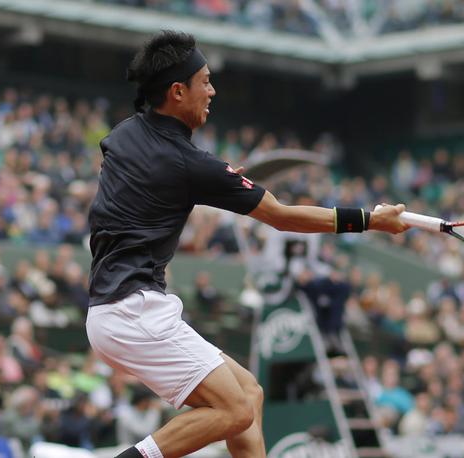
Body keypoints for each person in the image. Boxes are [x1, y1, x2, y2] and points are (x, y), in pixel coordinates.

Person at [85, 29, 408, 458]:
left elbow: (150, 182)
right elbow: (281, 216)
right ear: (178, 91)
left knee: (249, 394)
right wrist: (369, 220)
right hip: (133, 310)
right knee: (234, 410)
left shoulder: (125, 135)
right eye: (205, 81)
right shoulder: (191, 164)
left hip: (115, 311)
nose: (212, 91)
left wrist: (212, 182)